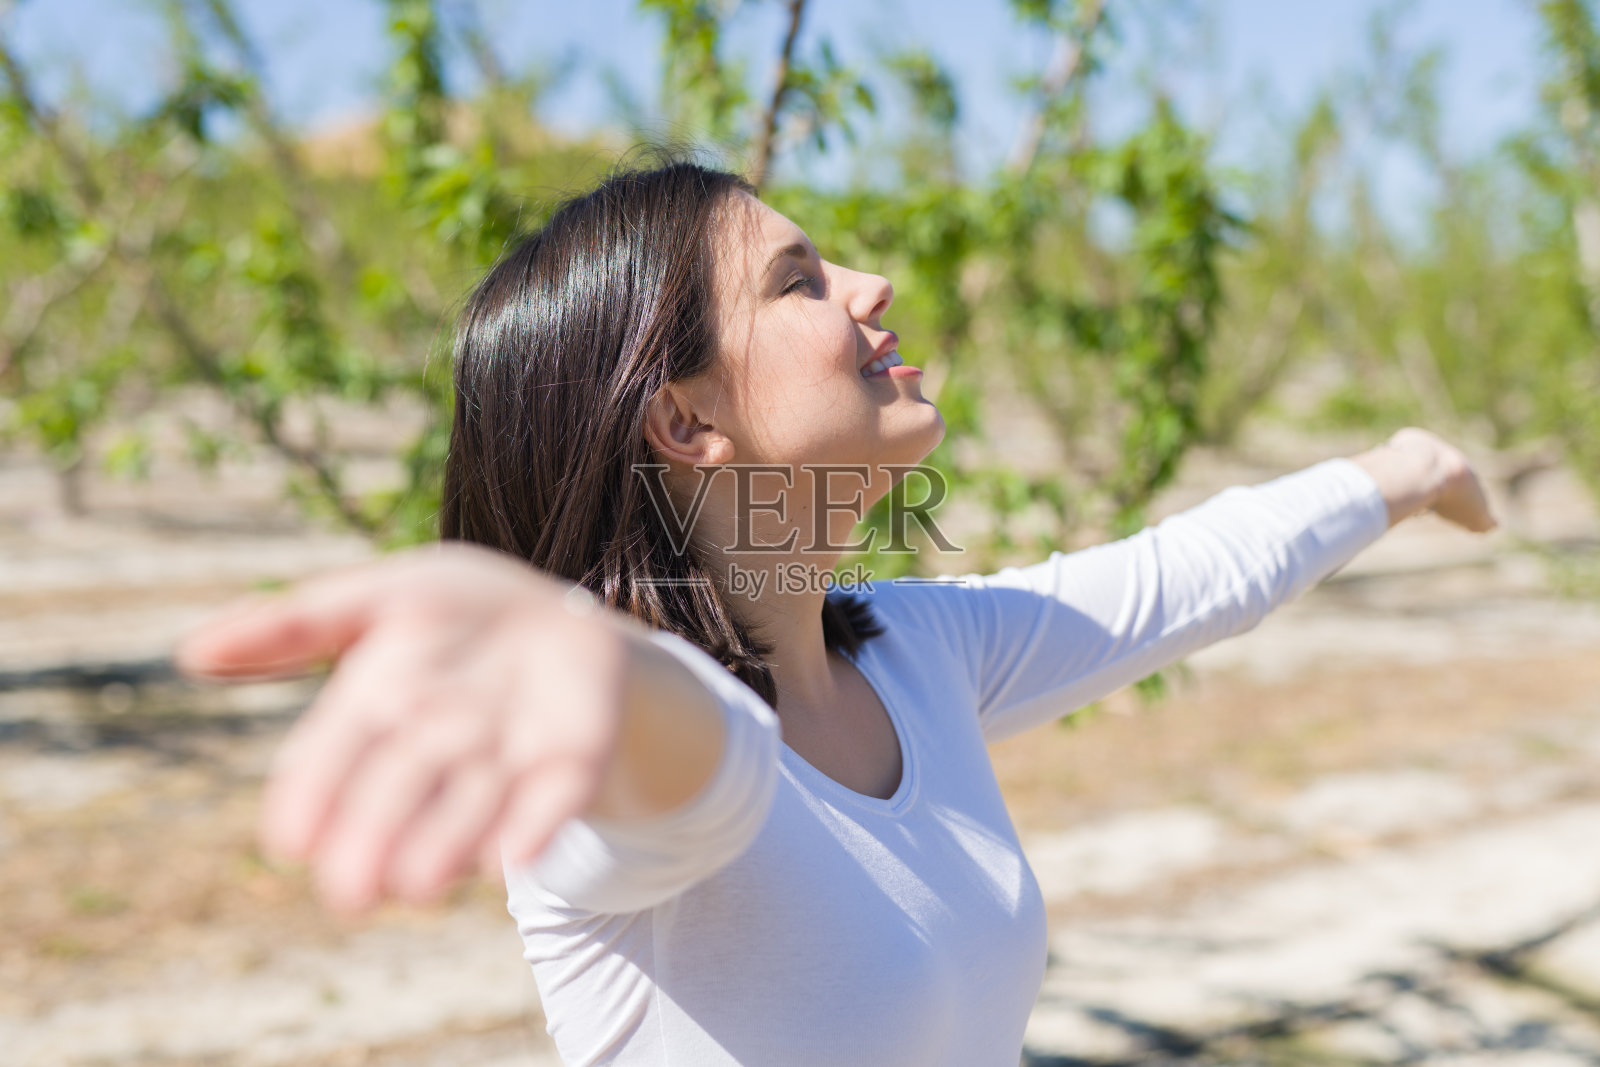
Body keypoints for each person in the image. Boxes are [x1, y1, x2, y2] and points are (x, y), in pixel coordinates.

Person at [177, 157, 1496, 1066]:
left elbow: (1179, 581)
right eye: (798, 279)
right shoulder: (646, 775)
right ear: (684, 421)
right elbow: (677, 754)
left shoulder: (918, 653)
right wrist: (568, 653)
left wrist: (1396, 474)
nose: (870, 286)